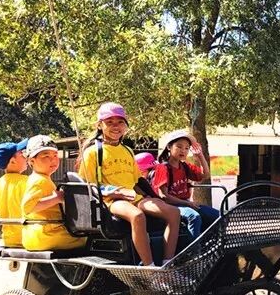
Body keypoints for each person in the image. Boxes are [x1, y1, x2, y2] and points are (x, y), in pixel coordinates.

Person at [78, 102, 180, 266]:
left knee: (173, 213)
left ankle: (168, 263)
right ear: (99, 125)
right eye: (109, 122)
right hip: (112, 201)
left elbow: (137, 180)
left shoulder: (127, 151)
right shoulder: (92, 152)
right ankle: (149, 267)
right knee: (137, 216)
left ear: (125, 126)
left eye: (120, 122)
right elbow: (86, 184)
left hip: (134, 197)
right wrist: (112, 192)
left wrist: (152, 197)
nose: (115, 126)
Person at [21, 135, 87, 251]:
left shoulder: (43, 179)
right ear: (32, 161)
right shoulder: (38, 180)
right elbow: (28, 207)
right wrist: (56, 198)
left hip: (40, 236)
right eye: (46, 156)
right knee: (86, 239)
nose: (53, 160)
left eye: (55, 155)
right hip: (46, 235)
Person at [151, 129, 220, 239]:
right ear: (169, 147)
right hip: (170, 205)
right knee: (194, 216)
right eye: (179, 146)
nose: (183, 151)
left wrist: (200, 155)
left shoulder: (185, 166)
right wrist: (187, 203)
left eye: (187, 148)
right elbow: (164, 196)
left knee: (219, 215)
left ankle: (212, 244)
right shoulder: (162, 168)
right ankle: (193, 248)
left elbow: (205, 175)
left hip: (185, 203)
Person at [0, 139, 29, 247]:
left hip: (10, 241)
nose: (26, 157)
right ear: (12, 161)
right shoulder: (28, 182)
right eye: (22, 154)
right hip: (30, 238)